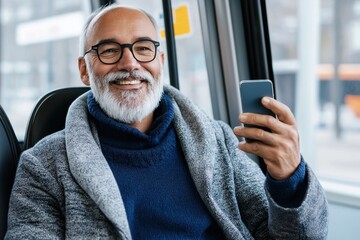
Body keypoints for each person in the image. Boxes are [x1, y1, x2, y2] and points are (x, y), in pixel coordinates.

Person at [6, 4, 328, 239]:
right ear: (83, 70)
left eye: (143, 48)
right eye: (109, 50)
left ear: (160, 62)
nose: (130, 63)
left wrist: (290, 182)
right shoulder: (43, 166)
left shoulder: (218, 142)